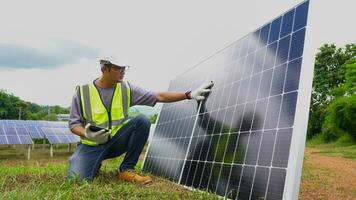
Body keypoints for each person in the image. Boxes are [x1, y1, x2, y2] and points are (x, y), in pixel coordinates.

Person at [67, 55, 213, 184]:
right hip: (91, 146)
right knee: (76, 180)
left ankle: (126, 170)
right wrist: (87, 134)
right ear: (105, 69)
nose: (123, 71)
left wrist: (189, 94)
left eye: (124, 68)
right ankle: (93, 162)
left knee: (142, 121)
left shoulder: (126, 89)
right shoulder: (82, 92)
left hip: (115, 142)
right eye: (118, 68)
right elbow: (74, 124)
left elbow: (159, 96)